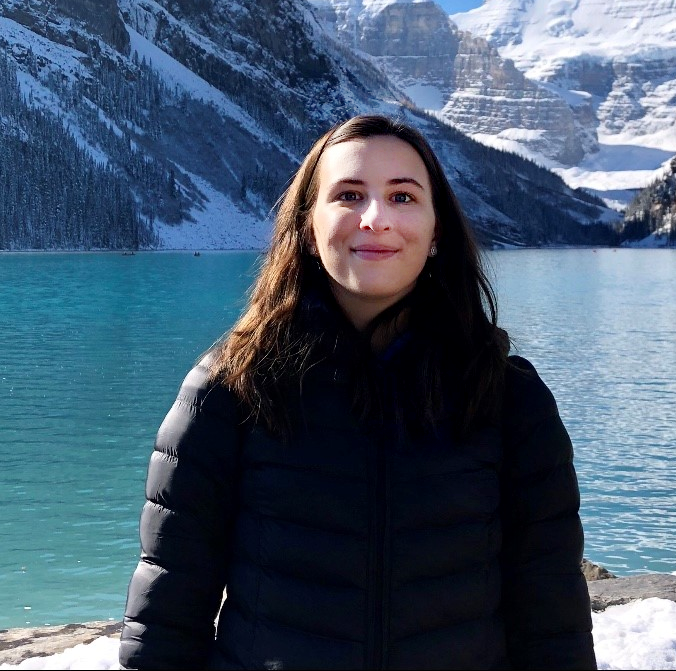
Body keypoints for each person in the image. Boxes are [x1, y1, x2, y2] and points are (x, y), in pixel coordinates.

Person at [119, 114, 595, 670]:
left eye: (402, 197)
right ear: (306, 226)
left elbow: (551, 621)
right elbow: (168, 616)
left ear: (437, 229)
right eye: (348, 195)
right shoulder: (230, 388)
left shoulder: (509, 397)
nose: (375, 220)